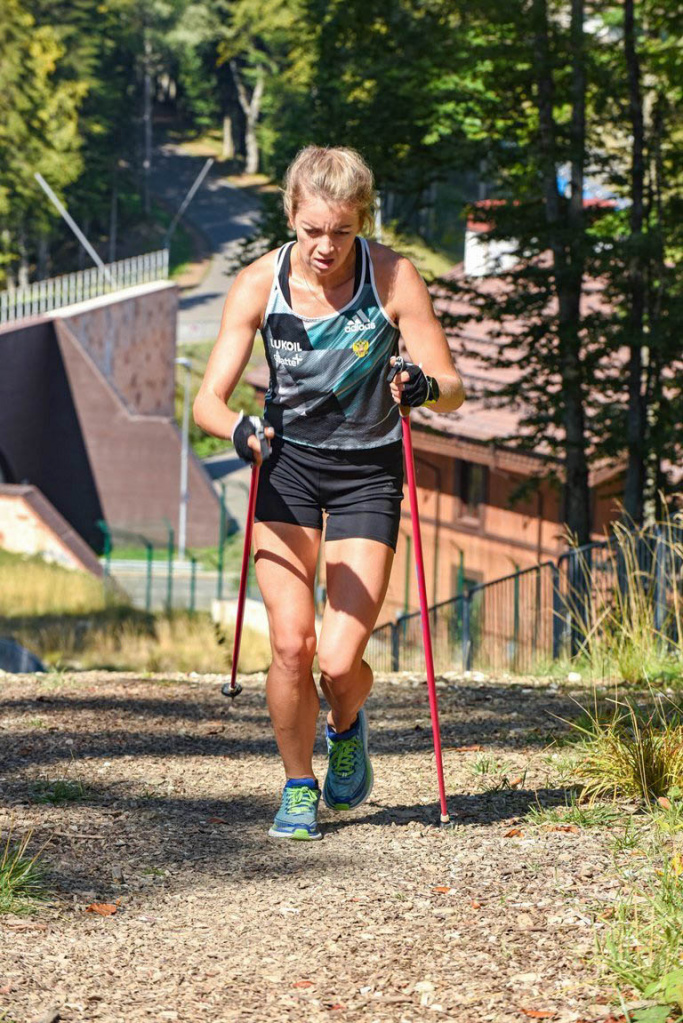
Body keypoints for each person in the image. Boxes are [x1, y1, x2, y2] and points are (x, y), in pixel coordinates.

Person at [194, 146, 465, 840]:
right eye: (312, 229)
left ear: (360, 223)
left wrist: (421, 386)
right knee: (291, 643)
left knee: (339, 660)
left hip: (366, 473)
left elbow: (453, 385)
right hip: (284, 465)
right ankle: (295, 784)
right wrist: (241, 429)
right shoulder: (260, 283)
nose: (324, 246)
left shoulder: (394, 277)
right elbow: (207, 402)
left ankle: (346, 723)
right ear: (292, 215)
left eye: (340, 232)